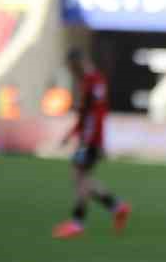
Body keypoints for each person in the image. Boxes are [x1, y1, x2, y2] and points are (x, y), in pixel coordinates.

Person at [52, 49, 130, 239]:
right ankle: (117, 207)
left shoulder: (92, 82)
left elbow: (94, 115)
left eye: (71, 67)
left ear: (77, 63)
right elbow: (88, 114)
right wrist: (71, 135)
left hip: (90, 140)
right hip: (90, 138)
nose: (71, 71)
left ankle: (79, 223)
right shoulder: (94, 81)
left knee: (80, 178)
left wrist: (88, 140)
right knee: (82, 178)